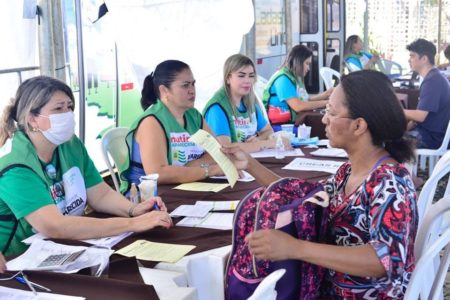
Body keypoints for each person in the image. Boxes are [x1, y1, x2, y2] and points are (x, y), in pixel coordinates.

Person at [224, 70, 418, 298]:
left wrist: (295, 248)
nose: (324, 119)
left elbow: (384, 260)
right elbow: (297, 195)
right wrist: (250, 164)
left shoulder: (390, 183)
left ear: (359, 126)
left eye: (331, 112)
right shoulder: (348, 172)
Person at [0, 76, 172, 256]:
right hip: (16, 261)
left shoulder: (70, 144)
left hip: (60, 248)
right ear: (32, 119)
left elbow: (100, 194)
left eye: (69, 107)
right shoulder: (14, 166)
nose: (67, 114)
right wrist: (134, 224)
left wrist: (133, 209)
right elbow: (54, 226)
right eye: (58, 108)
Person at [122, 60, 240, 188]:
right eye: (185, 85)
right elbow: (159, 173)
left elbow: (219, 153)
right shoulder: (151, 121)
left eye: (193, 84)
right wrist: (209, 170)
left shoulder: (193, 115)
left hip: (187, 185)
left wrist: (194, 165)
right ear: (164, 90)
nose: (192, 90)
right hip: (149, 197)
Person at [203, 54, 282, 153]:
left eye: (251, 76)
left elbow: (268, 131)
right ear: (228, 78)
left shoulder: (250, 102)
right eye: (241, 76)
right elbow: (225, 148)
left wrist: (258, 140)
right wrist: (263, 144)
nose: (248, 80)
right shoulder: (217, 108)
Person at [262, 45, 332, 125]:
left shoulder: (294, 76)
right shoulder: (283, 79)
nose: (308, 68)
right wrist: (327, 103)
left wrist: (327, 94)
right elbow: (298, 106)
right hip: (282, 126)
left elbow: (305, 100)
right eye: (307, 63)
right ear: (298, 62)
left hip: (293, 122)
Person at [404, 38, 450, 149]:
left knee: (386, 140)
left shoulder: (432, 81)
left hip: (432, 137)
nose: (409, 60)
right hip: (432, 133)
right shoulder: (435, 76)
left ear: (424, 59)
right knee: (393, 134)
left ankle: (394, 166)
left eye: (412, 56)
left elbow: (420, 116)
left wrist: (395, 109)